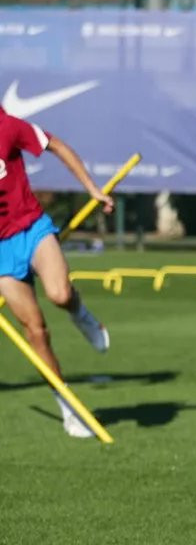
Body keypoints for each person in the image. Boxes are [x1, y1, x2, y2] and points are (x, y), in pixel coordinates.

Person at [0, 105, 113, 438]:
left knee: (59, 293)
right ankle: (68, 409)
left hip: (31, 229)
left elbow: (57, 146)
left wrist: (92, 188)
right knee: (36, 332)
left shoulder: (7, 127)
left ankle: (83, 316)